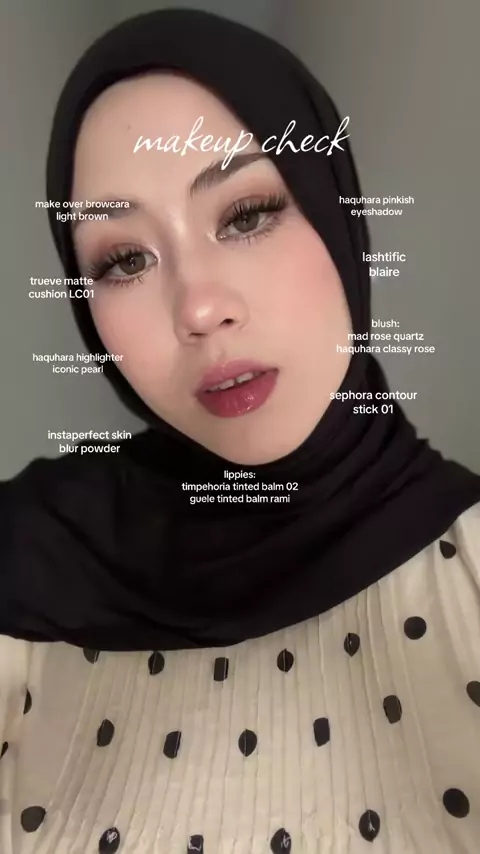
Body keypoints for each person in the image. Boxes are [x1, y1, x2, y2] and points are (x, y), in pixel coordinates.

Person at [1, 9, 480, 853]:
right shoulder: (27, 556)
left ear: (337, 211)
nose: (198, 308)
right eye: (124, 260)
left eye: (247, 214)